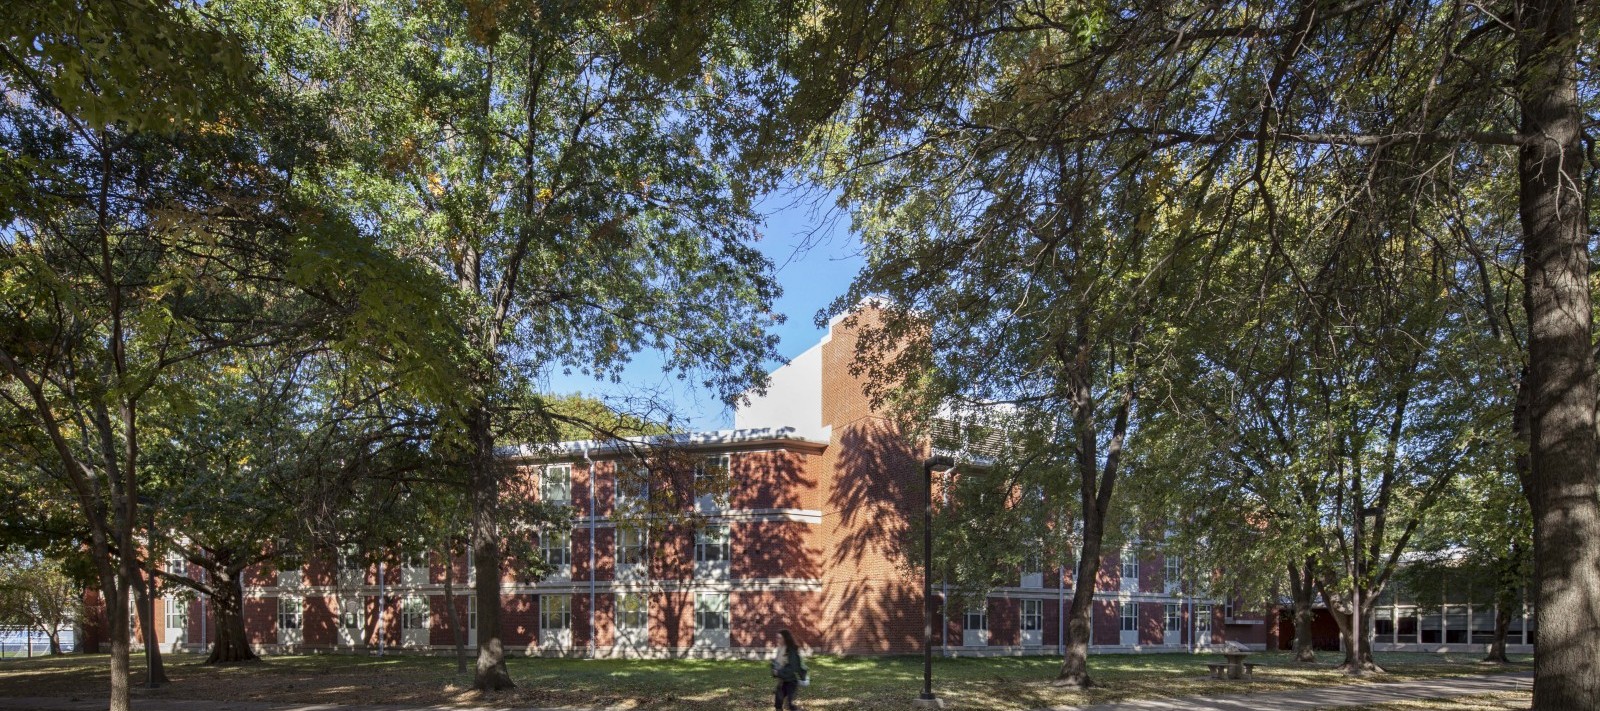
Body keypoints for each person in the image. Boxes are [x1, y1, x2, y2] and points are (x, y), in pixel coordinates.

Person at [770, 628, 807, 711]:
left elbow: (792, 668)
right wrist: (774, 668)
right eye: (777, 637)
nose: (777, 640)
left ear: (785, 638)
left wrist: (778, 672)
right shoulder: (779, 649)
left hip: (791, 681)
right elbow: (775, 663)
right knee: (778, 704)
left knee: (791, 705)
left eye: (779, 638)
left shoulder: (791, 650)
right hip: (782, 681)